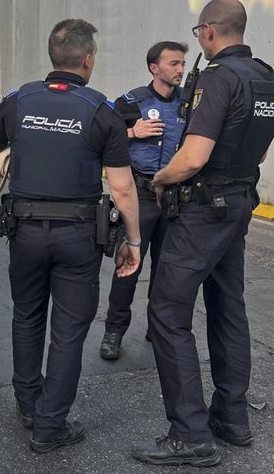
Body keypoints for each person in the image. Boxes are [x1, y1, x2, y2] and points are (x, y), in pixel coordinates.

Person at [0, 19, 141, 454]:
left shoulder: (17, 101)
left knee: (27, 316)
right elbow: (123, 188)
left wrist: (15, 171)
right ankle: (49, 426)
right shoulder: (101, 110)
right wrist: (134, 241)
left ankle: (29, 405)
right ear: (87, 59)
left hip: (25, 231)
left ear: (53, 55)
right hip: (78, 237)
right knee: (68, 330)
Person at [132, 0, 274, 467]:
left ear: (209, 31)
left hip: (201, 207)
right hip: (238, 203)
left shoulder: (218, 77)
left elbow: (194, 156)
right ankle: (231, 418)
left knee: (166, 312)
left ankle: (189, 434)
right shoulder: (268, 78)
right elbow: (259, 153)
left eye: (198, 32)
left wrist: (161, 180)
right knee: (228, 307)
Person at [100, 41, 188, 361]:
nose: (180, 70)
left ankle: (158, 328)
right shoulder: (131, 102)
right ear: (154, 68)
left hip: (176, 199)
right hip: (141, 197)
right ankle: (114, 331)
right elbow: (102, 138)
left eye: (182, 63)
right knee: (128, 267)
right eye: (173, 64)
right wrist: (132, 133)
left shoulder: (190, 103)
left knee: (169, 270)